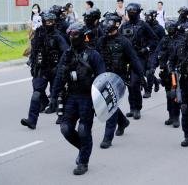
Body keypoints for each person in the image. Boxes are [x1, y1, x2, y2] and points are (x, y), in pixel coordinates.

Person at [52, 22, 105, 175]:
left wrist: (100, 102)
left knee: (83, 130)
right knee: (65, 129)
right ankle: (84, 149)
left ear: (83, 36)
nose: (72, 37)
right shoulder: (67, 54)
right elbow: (59, 78)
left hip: (87, 98)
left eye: (75, 34)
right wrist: (54, 97)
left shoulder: (93, 55)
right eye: (70, 34)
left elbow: (102, 78)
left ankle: (83, 161)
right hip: (71, 97)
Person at [97, 15, 144, 149]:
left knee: (110, 106)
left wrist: (142, 77)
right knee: (107, 105)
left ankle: (107, 137)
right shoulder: (101, 41)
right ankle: (122, 122)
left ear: (117, 24)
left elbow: (134, 60)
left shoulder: (124, 42)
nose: (107, 24)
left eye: (110, 22)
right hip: (103, 77)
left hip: (119, 78)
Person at [20, 12, 69, 129]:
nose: (50, 24)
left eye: (52, 21)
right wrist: (33, 64)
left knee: (59, 94)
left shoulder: (58, 36)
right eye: (47, 21)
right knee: (36, 93)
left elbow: (66, 52)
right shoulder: (38, 34)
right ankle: (32, 120)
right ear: (43, 22)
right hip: (42, 69)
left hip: (55, 70)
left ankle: (62, 117)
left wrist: (60, 68)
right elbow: (34, 51)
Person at [120, 3, 158, 119]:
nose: (131, 14)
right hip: (126, 58)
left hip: (139, 57)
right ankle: (132, 107)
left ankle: (137, 108)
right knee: (129, 84)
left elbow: (154, 39)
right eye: (129, 12)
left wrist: (146, 49)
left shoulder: (143, 25)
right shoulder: (124, 25)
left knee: (135, 82)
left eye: (133, 12)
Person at [149, 21, 184, 127]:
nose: (170, 30)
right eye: (168, 28)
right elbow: (156, 53)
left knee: (175, 94)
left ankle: (176, 117)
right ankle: (171, 116)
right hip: (165, 72)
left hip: (176, 72)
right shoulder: (164, 40)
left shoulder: (181, 40)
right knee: (169, 94)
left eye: (171, 28)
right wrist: (153, 66)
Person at [144, 10, 165, 98]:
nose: (146, 18)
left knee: (150, 71)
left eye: (148, 17)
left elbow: (164, 41)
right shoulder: (144, 26)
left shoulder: (159, 28)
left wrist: (161, 53)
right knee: (144, 72)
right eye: (146, 16)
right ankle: (156, 82)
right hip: (145, 52)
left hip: (155, 52)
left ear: (153, 17)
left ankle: (148, 91)